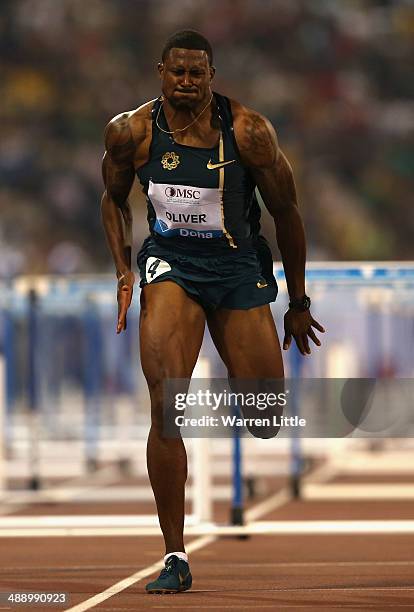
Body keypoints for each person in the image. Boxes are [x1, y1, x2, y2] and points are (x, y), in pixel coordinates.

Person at [101, 29, 324, 594]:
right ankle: (174, 553)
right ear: (161, 71)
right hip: (172, 264)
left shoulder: (248, 131)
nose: (186, 81)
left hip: (237, 267)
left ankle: (233, 361)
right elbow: (112, 198)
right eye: (177, 71)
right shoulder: (131, 131)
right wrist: (125, 270)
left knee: (265, 419)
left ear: (211, 76)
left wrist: (297, 301)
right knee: (165, 398)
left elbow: (288, 213)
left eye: (197, 73)